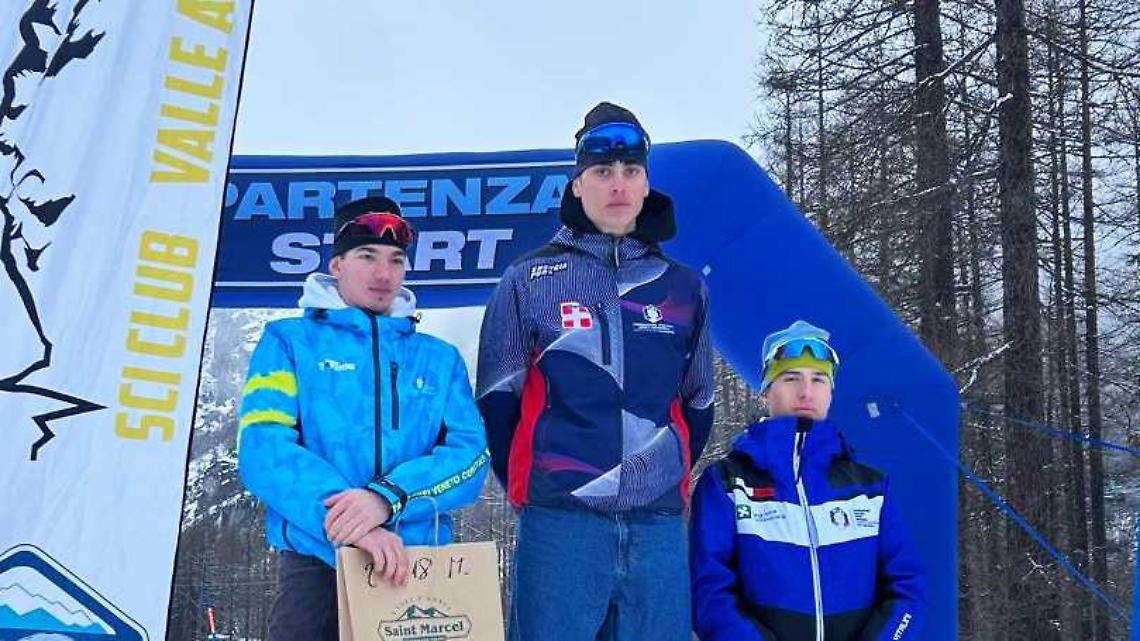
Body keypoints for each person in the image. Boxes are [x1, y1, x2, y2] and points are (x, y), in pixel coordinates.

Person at [476, 102, 715, 640]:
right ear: (578, 185)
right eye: (602, 172)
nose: (618, 184)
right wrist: (545, 486)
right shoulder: (529, 278)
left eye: (631, 172)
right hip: (560, 521)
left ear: (647, 184)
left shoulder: (683, 288)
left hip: (656, 527)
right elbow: (496, 401)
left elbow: (699, 404)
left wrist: (658, 475)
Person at [238, 196, 489, 641]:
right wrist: (354, 528)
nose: (383, 273)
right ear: (337, 265)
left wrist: (386, 498)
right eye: (367, 256)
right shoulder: (288, 342)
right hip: (315, 566)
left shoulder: (439, 359)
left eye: (395, 260)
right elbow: (264, 448)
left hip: (417, 568)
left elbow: (470, 457)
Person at [689, 320, 925, 641]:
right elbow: (710, 591)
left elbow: (907, 587)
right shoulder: (727, 483)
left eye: (818, 379)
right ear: (766, 391)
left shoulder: (870, 488)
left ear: (831, 392)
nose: (806, 391)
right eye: (791, 378)